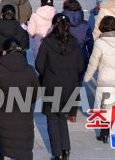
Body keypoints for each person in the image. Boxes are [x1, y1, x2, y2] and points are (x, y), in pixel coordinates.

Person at [35, 14, 83, 160]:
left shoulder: (48, 42)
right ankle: (66, 149)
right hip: (70, 86)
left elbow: (39, 65)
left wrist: (49, 73)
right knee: (62, 118)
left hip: (52, 85)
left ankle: (57, 153)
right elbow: (81, 66)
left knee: (52, 119)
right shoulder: (74, 43)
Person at [0, 38, 39, 160]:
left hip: (2, 119)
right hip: (24, 119)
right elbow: (36, 93)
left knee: (0, 148)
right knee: (24, 150)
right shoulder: (30, 70)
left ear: (4, 52)